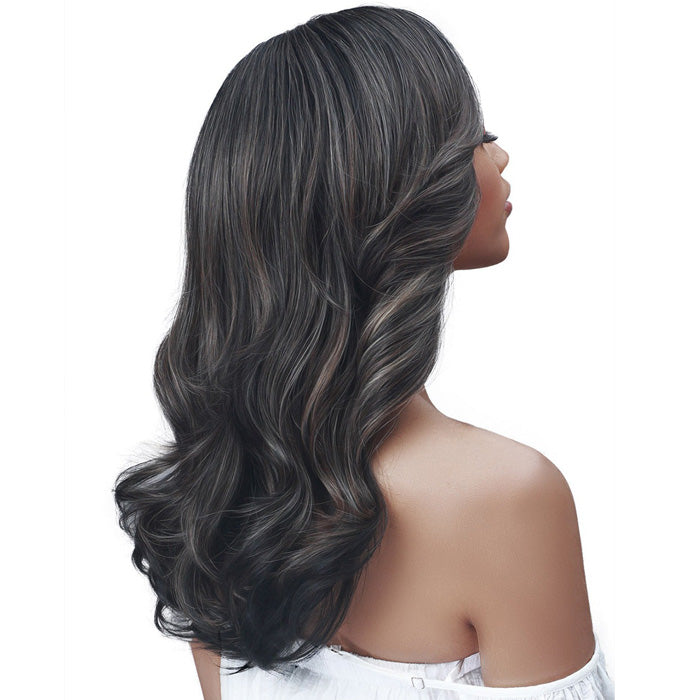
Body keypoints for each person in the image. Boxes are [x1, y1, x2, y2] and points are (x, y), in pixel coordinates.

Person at [114, 5, 614, 699]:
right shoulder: (507, 498)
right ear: (393, 190)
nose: (499, 156)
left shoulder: (212, 491)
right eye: (476, 136)